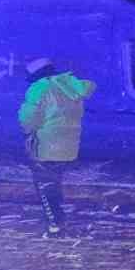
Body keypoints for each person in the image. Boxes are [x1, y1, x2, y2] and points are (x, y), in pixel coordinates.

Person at [18, 58, 96, 236]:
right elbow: (90, 86)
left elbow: (28, 118)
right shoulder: (70, 84)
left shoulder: (39, 88)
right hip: (70, 142)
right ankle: (60, 216)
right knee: (55, 179)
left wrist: (27, 130)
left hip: (46, 142)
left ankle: (55, 224)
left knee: (43, 182)